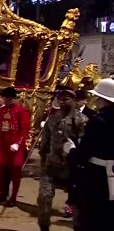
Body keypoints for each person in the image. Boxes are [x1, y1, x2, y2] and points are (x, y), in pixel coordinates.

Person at [37, 88, 88, 231]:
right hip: (51, 166)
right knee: (44, 198)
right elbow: (44, 145)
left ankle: (78, 226)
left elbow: (86, 146)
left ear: (74, 100)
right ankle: (44, 226)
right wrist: (43, 162)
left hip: (72, 168)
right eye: (61, 99)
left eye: (66, 99)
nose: (63, 102)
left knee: (78, 202)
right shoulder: (52, 120)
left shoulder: (82, 120)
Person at [67, 78, 114, 231]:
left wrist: (71, 150)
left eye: (98, 98)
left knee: (90, 217)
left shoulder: (97, 121)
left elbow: (83, 154)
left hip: (95, 176)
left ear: (104, 100)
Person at [0, 87, 30, 207]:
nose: (5, 100)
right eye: (4, 97)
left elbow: (24, 130)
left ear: (12, 98)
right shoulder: (0, 111)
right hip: (1, 143)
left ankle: (14, 197)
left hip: (14, 143)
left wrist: (18, 143)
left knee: (15, 170)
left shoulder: (22, 111)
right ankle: (2, 193)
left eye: (7, 97)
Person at [63, 89, 97, 218]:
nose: (75, 103)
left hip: (84, 151)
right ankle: (70, 203)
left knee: (81, 179)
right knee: (71, 179)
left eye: (77, 100)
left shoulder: (91, 114)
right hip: (71, 149)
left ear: (83, 100)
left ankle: (79, 204)